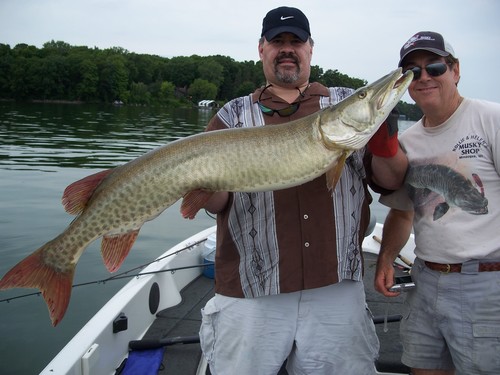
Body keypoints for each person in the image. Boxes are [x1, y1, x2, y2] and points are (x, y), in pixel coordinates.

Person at [188, 7, 408, 375]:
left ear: (310, 49)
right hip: (251, 290)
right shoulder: (232, 115)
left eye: (296, 42)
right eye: (278, 42)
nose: (287, 49)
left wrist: (384, 136)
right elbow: (219, 202)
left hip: (335, 287)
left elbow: (391, 181)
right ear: (262, 49)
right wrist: (195, 181)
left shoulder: (343, 100)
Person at [374, 31, 500, 375]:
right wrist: (385, 258)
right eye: (414, 72)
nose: (425, 77)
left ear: (455, 70)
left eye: (434, 67)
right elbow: (402, 212)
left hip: (486, 284)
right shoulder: (408, 141)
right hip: (425, 280)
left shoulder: (491, 119)